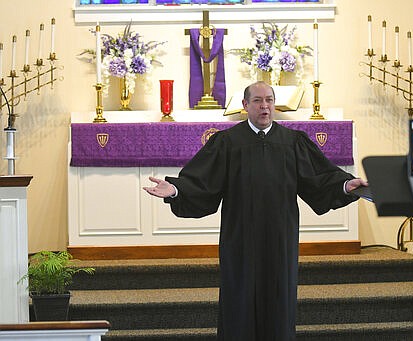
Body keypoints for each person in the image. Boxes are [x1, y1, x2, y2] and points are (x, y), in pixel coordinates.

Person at [143, 81, 368, 340]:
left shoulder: (293, 142)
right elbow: (202, 182)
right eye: (258, 101)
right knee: (239, 297)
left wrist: (344, 185)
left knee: (278, 296)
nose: (265, 106)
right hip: (240, 238)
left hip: (279, 237)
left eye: (269, 100)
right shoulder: (227, 142)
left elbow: (318, 179)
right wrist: (177, 190)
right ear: (245, 105)